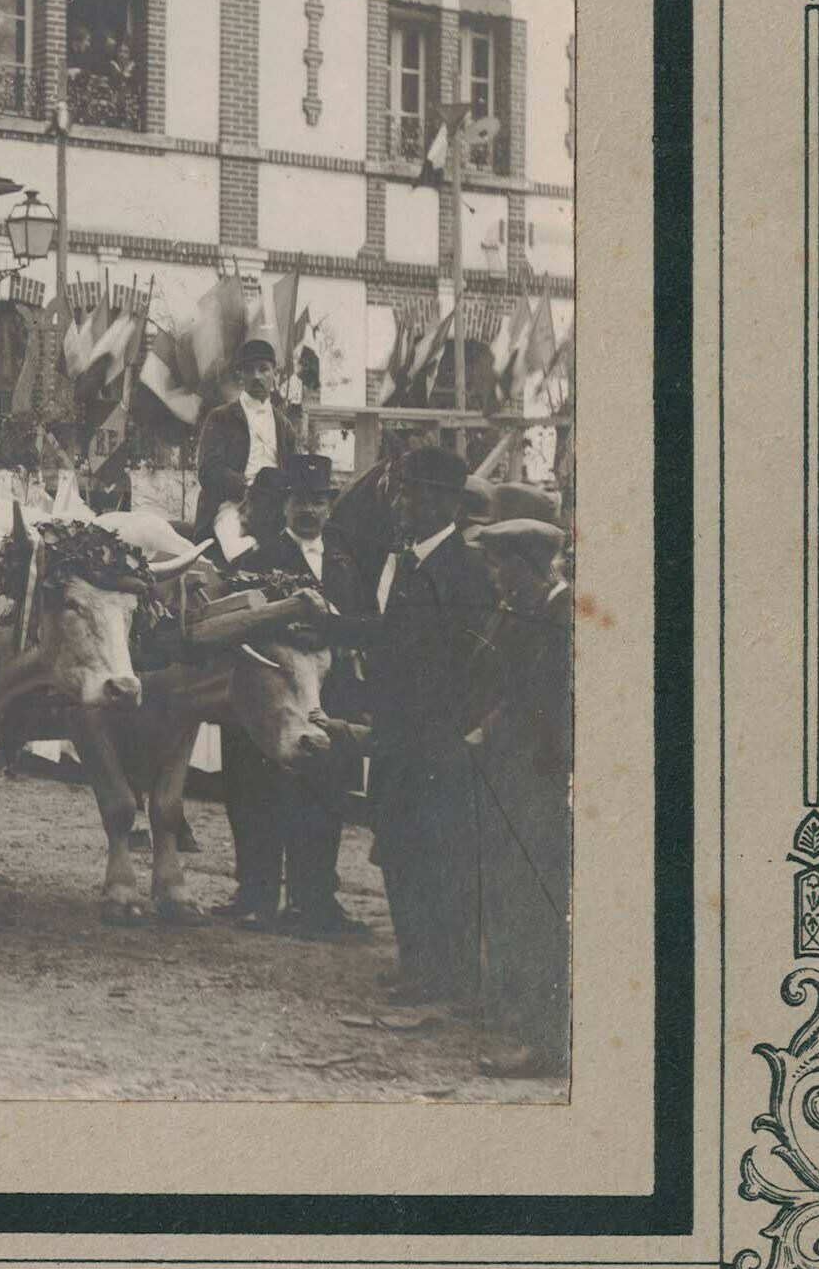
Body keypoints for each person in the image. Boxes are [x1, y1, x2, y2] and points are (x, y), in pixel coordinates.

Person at [363, 443, 503, 1012]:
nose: (403, 502)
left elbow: (469, 663)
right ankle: (416, 964)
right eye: (403, 490)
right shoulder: (410, 563)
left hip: (435, 743)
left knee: (441, 857)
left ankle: (451, 975)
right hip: (398, 737)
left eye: (413, 491)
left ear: (446, 502)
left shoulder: (462, 572)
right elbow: (388, 639)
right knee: (397, 848)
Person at [234, 452, 376, 936]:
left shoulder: (345, 560)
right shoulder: (257, 560)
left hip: (331, 695)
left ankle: (316, 899)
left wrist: (332, 635)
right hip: (273, 697)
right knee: (261, 794)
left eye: (318, 502)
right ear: (285, 504)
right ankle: (256, 895)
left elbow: (366, 623)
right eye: (299, 501)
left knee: (325, 795)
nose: (309, 512)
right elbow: (243, 628)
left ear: (330, 507)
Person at [469, 516, 574, 1077]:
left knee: (542, 908)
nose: (494, 578)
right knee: (521, 899)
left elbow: (548, 710)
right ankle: (530, 1024)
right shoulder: (528, 612)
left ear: (528, 566)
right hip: (521, 779)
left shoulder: (563, 617)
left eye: (501, 566)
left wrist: (496, 727)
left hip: (544, 784)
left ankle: (545, 1043)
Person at [195, 339, 305, 561]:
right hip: (233, 504)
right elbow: (208, 470)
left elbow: (295, 471)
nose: (256, 376)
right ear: (240, 377)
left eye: (263, 369)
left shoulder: (284, 426)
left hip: (275, 507)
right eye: (249, 370)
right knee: (240, 552)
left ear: (275, 374)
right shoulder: (221, 417)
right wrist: (246, 488)